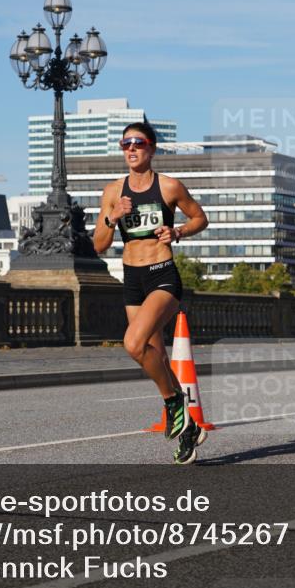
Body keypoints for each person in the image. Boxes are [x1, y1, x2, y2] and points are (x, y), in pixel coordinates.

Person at [94, 122, 210, 462]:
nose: (131, 149)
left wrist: (178, 232)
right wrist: (112, 218)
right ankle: (190, 428)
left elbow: (200, 217)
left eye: (138, 143)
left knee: (132, 343)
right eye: (125, 143)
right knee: (154, 355)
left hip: (163, 275)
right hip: (132, 278)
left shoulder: (170, 186)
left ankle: (174, 403)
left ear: (152, 148)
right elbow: (99, 246)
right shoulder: (113, 191)